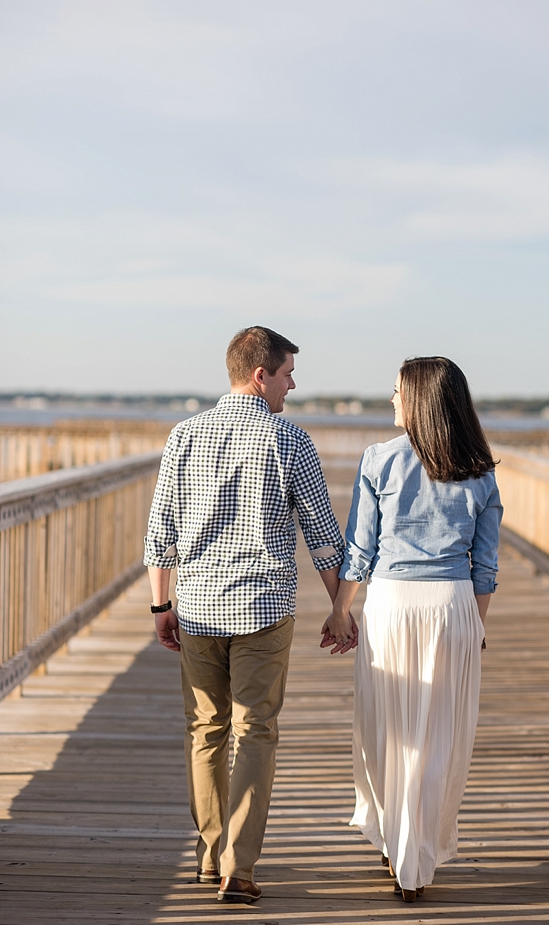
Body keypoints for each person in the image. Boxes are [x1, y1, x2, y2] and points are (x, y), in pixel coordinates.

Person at [146, 326, 346, 905]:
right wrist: (339, 609)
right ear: (261, 375)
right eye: (287, 373)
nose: (292, 384)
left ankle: (210, 856)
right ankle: (240, 868)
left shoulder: (183, 437)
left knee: (205, 729)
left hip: (200, 608)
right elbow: (323, 537)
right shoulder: (290, 441)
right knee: (254, 729)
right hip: (262, 608)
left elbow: (161, 535)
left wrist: (162, 605)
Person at [322, 356, 501, 902]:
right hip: (452, 608)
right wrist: (476, 625)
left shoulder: (381, 459)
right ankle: (416, 854)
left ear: (420, 399)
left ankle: (397, 845)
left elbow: (360, 548)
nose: (392, 398)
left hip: (394, 604)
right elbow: (484, 568)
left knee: (387, 731)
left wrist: (340, 610)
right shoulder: (481, 471)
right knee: (438, 737)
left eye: (399, 390)